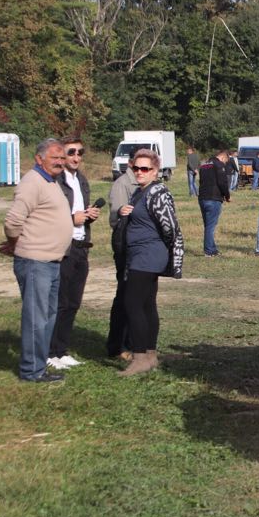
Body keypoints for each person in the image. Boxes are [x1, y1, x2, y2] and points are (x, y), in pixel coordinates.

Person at [0, 138, 73, 383]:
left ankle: (39, 366)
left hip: (51, 261)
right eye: (55, 158)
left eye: (62, 158)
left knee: (47, 317)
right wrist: (14, 243)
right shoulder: (32, 182)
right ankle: (31, 371)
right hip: (35, 262)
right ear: (39, 159)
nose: (60, 162)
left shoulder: (50, 181)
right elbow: (13, 221)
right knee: (36, 319)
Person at [117, 149, 183, 376]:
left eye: (145, 168)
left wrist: (158, 247)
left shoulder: (158, 192)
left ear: (155, 171)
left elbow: (170, 227)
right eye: (136, 168)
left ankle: (140, 357)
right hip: (140, 255)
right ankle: (150, 355)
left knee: (133, 304)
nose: (139, 172)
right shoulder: (140, 192)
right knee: (146, 305)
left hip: (148, 256)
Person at [48, 136, 101, 370]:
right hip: (63, 247)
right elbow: (47, 216)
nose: (76, 157)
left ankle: (61, 351)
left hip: (81, 246)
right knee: (59, 303)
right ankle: (49, 352)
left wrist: (89, 215)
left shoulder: (82, 180)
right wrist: (72, 219)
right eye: (71, 152)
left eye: (80, 152)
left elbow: (80, 213)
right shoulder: (55, 181)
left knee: (73, 303)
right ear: (62, 154)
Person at [106, 162, 138, 361]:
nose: (142, 170)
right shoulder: (122, 184)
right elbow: (115, 220)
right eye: (139, 166)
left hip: (139, 248)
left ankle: (133, 343)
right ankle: (118, 346)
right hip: (125, 245)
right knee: (125, 295)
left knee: (136, 297)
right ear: (132, 163)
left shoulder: (144, 184)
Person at [198, 150, 231, 257]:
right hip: (213, 198)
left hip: (202, 197)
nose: (225, 164)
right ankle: (208, 251)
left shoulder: (204, 164)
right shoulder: (219, 165)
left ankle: (212, 249)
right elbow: (223, 182)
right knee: (210, 226)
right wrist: (227, 195)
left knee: (208, 225)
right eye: (225, 161)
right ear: (223, 157)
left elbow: (201, 181)